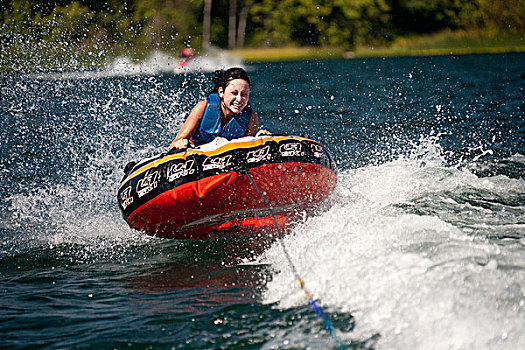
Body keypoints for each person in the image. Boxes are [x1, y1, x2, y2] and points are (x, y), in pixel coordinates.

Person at [169, 67, 268, 150]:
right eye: (234, 93)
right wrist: (181, 144)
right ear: (221, 92)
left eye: (244, 95)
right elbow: (174, 143)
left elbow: (248, 149)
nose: (239, 99)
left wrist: (259, 139)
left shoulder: (251, 117)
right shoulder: (202, 108)